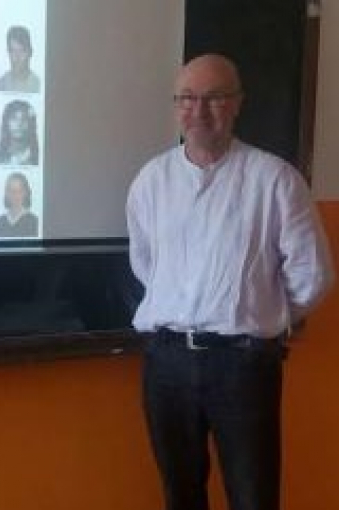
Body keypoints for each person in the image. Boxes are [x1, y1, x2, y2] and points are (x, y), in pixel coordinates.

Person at [126, 53, 334, 510]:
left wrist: (261, 309)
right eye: (187, 98)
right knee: (180, 495)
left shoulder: (275, 179)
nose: (198, 111)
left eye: (214, 98)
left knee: (253, 497)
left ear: (237, 103)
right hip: (166, 363)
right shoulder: (151, 182)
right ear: (175, 105)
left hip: (243, 365)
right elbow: (146, 266)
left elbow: (312, 274)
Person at [0, 26, 40, 93]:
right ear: (8, 53)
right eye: (13, 51)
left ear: (30, 53)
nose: (17, 57)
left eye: (22, 51)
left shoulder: (39, 85)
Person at [0, 172, 38, 237]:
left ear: (26, 193)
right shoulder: (0, 222)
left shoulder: (33, 221)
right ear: (6, 194)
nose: (16, 196)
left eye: (19, 191)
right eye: (12, 191)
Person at [0, 100, 39, 165]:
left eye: (24, 119)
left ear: (31, 124)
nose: (19, 124)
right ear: (6, 123)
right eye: (14, 119)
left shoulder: (37, 157)